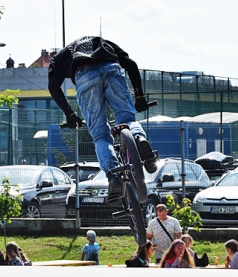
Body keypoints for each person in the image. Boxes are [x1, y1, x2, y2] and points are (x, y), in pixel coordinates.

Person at [48, 36, 158, 201]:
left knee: (100, 135)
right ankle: (139, 138)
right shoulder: (102, 41)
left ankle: (113, 176)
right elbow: (131, 64)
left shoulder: (60, 57)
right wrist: (140, 95)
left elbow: (53, 85)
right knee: (127, 118)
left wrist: (70, 114)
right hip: (110, 68)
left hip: (84, 75)